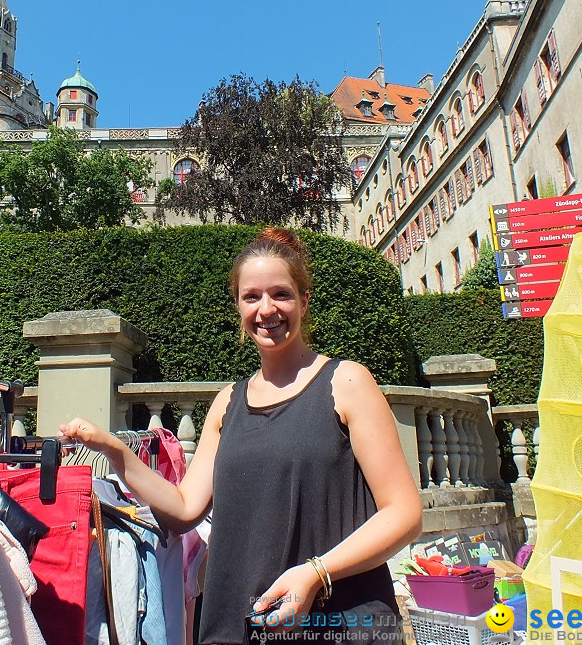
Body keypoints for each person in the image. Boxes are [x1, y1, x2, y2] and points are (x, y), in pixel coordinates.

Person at [62, 227, 423, 644]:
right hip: (236, 626)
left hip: (337, 625)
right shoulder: (227, 402)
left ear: (304, 301)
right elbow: (183, 510)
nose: (266, 309)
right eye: (252, 296)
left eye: (281, 294)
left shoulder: (346, 383)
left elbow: (403, 513)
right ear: (237, 306)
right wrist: (113, 449)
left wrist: (315, 572)